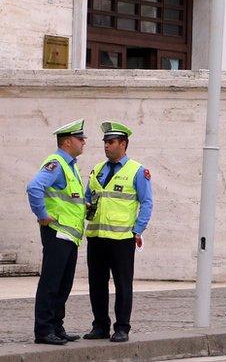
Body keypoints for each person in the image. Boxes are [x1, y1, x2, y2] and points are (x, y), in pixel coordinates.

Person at [83, 121, 153, 343]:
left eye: (111, 142)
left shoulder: (137, 171)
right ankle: (100, 326)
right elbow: (88, 198)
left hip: (122, 238)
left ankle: (122, 327)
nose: (106, 146)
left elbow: (147, 202)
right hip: (96, 237)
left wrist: (137, 230)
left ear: (123, 144)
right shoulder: (97, 170)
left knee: (123, 284)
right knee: (96, 283)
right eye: (105, 142)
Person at [26, 119, 87, 346]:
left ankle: (56, 326)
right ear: (68, 141)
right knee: (51, 283)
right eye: (80, 139)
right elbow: (34, 187)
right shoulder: (57, 163)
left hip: (69, 235)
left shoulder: (70, 165)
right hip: (57, 233)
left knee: (64, 283)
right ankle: (43, 330)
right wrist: (42, 215)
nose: (84, 142)